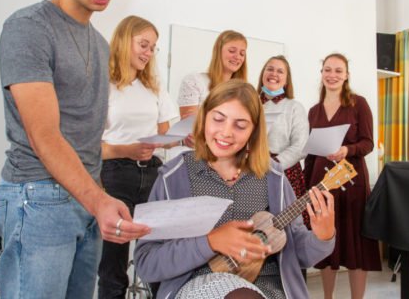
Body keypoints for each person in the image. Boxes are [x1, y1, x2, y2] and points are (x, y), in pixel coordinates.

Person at [0, 0, 150, 298]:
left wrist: (97, 198)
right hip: (37, 197)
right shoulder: (29, 27)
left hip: (85, 198)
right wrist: (98, 200)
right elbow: (44, 136)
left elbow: (87, 133)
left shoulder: (99, 43)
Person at [134, 79, 336, 299]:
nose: (227, 132)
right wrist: (209, 242)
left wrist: (322, 237)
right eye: (218, 119)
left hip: (268, 288)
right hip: (196, 284)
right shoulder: (173, 178)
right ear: (203, 119)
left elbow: (299, 255)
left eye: (240, 125)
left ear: (254, 131)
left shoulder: (273, 178)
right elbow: (147, 263)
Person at [98, 16, 179, 298]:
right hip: (114, 174)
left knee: (160, 253)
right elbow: (87, 147)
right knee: (113, 262)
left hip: (153, 173)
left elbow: (165, 134)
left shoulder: (153, 87)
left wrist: (184, 138)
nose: (148, 52)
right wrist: (126, 150)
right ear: (123, 42)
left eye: (153, 47)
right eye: (143, 44)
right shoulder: (103, 85)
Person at [304, 53, 381, 299]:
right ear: (322, 73)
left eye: (338, 70)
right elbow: (311, 154)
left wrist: (347, 150)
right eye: (328, 70)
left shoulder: (359, 104)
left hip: (351, 182)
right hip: (321, 183)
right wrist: (307, 187)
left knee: (356, 244)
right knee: (326, 244)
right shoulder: (314, 111)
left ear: (346, 75)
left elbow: (368, 143)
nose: (332, 75)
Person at [256, 55, 309, 225]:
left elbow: (300, 147)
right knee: (255, 225)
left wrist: (273, 165)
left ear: (286, 80)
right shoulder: (249, 103)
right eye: (270, 69)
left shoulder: (294, 107)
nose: (274, 74)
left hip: (284, 173)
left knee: (285, 229)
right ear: (263, 73)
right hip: (251, 171)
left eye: (280, 71)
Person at [177, 30, 247, 146]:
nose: (237, 57)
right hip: (198, 156)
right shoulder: (194, 81)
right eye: (232, 51)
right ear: (218, 51)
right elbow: (191, 132)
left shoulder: (243, 91)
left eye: (242, 53)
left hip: (229, 158)